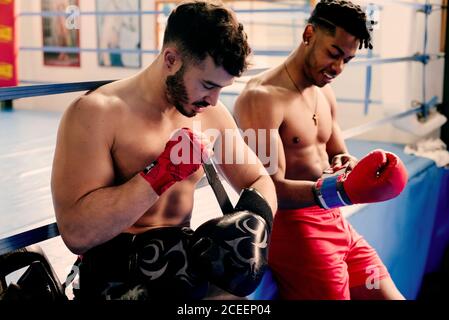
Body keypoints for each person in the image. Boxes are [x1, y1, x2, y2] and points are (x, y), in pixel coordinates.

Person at [51, 0, 277, 300]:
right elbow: (77, 234)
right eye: (208, 84)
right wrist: (162, 173)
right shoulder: (95, 113)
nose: (213, 100)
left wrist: (254, 223)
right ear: (171, 59)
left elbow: (258, 180)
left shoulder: (210, 113)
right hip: (117, 279)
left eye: (222, 89)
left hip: (183, 269)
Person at [233, 0, 408, 300]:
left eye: (347, 60)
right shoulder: (261, 99)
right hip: (297, 233)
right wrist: (339, 190)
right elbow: (268, 191)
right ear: (309, 34)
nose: (338, 68)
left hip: (337, 222)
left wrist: (348, 165)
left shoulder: (324, 91)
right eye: (334, 54)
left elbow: (338, 153)